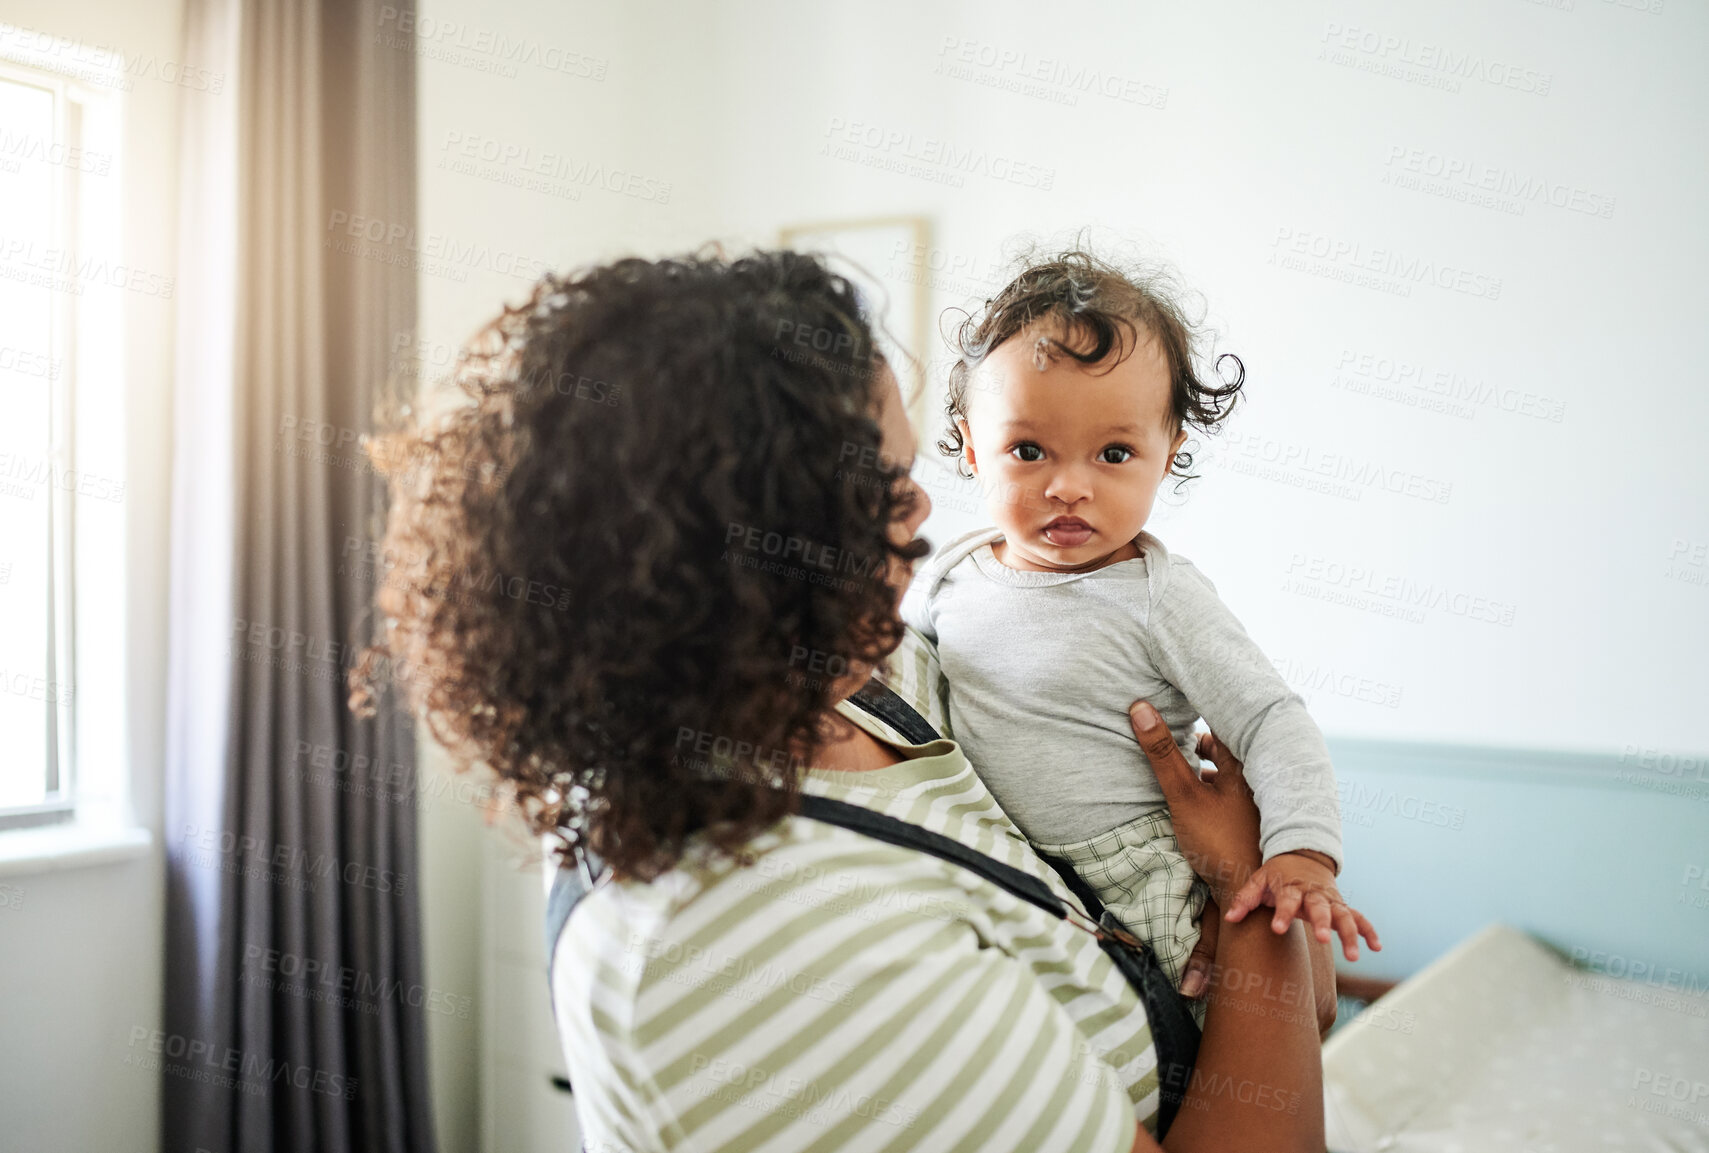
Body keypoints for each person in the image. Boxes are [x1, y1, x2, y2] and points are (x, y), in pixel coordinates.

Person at [360, 248, 1327, 1151]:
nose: (920, 512)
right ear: (731, 548)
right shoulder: (749, 939)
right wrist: (1245, 895)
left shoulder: (864, 678)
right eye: (878, 488)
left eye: (909, 473)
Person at [903, 249, 1379, 1005]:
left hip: (1142, 874)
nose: (1068, 485)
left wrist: (1302, 856)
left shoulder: (1160, 597)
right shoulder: (948, 576)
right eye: (1027, 450)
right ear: (969, 446)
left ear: (1167, 457)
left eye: (1114, 452)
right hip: (1003, 863)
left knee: (1202, 1038)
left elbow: (1270, 720)